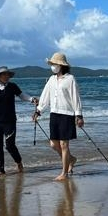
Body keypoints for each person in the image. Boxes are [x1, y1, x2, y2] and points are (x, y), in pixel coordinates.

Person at [33, 52, 84, 181]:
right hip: (54, 114)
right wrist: (38, 111)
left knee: (64, 145)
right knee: (53, 144)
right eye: (52, 64)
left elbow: (75, 98)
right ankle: (71, 159)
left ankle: (64, 173)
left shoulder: (70, 79)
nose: (53, 66)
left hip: (67, 115)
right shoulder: (51, 79)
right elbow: (45, 96)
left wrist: (79, 115)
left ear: (61, 65)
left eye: (55, 64)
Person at [0, 66, 38, 177]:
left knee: (10, 145)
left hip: (10, 121)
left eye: (7, 74)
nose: (6, 76)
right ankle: (1, 170)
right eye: (4, 74)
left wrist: (32, 99)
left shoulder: (12, 86)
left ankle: (18, 162)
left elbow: (22, 96)